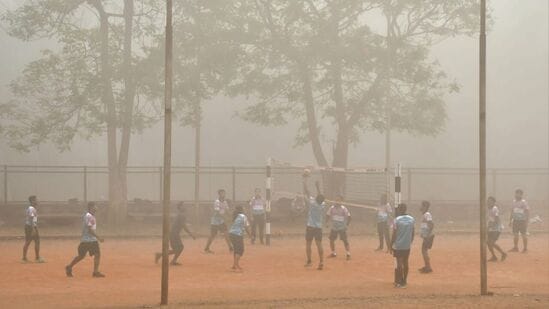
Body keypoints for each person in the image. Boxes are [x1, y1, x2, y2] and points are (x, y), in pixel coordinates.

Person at [65, 202, 105, 278]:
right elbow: (90, 230)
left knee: (81, 256)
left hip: (84, 240)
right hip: (91, 240)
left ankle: (69, 266)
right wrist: (99, 237)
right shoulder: (90, 217)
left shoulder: (87, 215)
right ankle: (95, 272)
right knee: (97, 254)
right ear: (91, 207)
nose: (97, 208)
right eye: (95, 206)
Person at [303, 174, 326, 270]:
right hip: (318, 227)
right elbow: (321, 197)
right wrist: (318, 187)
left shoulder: (312, 203)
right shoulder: (322, 205)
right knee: (319, 244)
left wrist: (304, 181)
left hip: (310, 226)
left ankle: (309, 261)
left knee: (308, 244)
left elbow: (307, 192)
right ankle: (321, 262)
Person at [390, 203, 415, 288]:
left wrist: (391, 244)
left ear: (399, 210)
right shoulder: (411, 219)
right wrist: (410, 241)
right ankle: (404, 280)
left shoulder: (396, 220)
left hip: (398, 245)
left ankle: (399, 282)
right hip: (407, 245)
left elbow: (394, 234)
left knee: (399, 263)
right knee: (406, 262)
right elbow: (413, 232)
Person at [204, 189, 233, 254]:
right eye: (222, 193)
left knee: (226, 233)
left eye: (224, 193)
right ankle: (206, 248)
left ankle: (230, 247)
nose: (223, 195)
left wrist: (232, 216)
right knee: (212, 235)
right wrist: (225, 218)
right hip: (215, 221)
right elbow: (217, 212)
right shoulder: (217, 201)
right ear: (219, 194)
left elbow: (227, 211)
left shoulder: (225, 202)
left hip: (221, 221)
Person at [325, 195, 351, 260]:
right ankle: (333, 253)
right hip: (334, 227)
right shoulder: (332, 208)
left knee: (345, 240)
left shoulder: (344, 208)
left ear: (341, 201)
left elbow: (349, 217)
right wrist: (326, 223)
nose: (337, 201)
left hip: (342, 228)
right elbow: (327, 215)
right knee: (331, 240)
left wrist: (346, 225)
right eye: (336, 200)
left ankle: (348, 254)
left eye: (338, 200)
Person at [22, 195, 44, 263]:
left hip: (31, 226)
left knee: (36, 241)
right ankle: (25, 258)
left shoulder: (32, 208)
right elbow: (31, 219)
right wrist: (33, 229)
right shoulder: (32, 209)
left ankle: (36, 258)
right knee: (28, 242)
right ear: (32, 201)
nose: (37, 201)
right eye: (36, 200)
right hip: (30, 227)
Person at [229, 205, 251, 271]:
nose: (244, 210)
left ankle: (234, 265)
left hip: (231, 234)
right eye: (243, 209)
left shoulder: (235, 216)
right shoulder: (243, 216)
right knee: (240, 250)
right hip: (237, 235)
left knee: (236, 250)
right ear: (241, 210)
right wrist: (250, 235)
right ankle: (236, 265)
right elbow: (246, 227)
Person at [487, 197, 507, 262]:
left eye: (490, 201)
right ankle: (494, 256)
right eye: (488, 201)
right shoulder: (488, 209)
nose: (488, 202)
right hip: (491, 228)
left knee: (491, 242)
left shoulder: (495, 208)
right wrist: (488, 227)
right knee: (488, 242)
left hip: (496, 228)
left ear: (493, 202)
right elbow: (490, 219)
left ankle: (503, 253)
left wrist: (492, 225)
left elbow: (496, 218)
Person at [419, 201, 434, 273]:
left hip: (427, 236)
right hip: (426, 236)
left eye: (421, 206)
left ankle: (428, 267)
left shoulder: (427, 214)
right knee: (424, 251)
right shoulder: (425, 214)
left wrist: (428, 235)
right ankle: (427, 266)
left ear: (425, 207)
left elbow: (431, 224)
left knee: (424, 251)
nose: (420, 207)